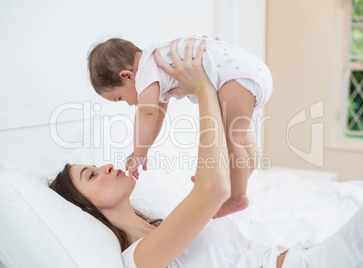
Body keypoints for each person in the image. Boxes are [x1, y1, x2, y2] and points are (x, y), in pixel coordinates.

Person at [50, 40, 363, 268]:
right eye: (91, 174)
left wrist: (144, 149)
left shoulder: (163, 225)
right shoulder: (140, 257)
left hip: (307, 254)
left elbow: (155, 113)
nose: (106, 165)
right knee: (236, 134)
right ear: (85, 207)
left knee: (237, 135)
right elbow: (214, 188)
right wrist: (203, 88)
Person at [87, 35, 273, 218]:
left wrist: (139, 153)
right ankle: (236, 176)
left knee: (231, 140)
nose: (127, 104)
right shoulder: (155, 62)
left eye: (119, 98)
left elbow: (148, 114)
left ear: (127, 76)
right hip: (248, 72)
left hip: (236, 77)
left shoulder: (145, 72)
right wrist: (143, 149)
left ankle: (237, 197)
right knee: (235, 137)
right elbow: (158, 113)